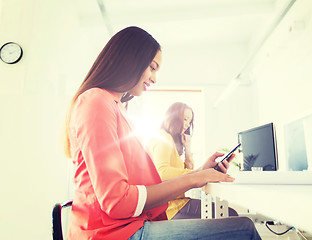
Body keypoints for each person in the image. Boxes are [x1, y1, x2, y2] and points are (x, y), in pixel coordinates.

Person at [64, 26, 262, 240]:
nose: (155, 78)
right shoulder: (96, 102)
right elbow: (117, 201)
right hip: (110, 233)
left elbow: (144, 187)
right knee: (244, 228)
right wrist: (194, 179)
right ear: (130, 61)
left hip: (127, 225)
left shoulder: (116, 107)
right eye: (152, 67)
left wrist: (198, 173)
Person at [148, 102, 239, 219]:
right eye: (185, 119)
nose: (187, 125)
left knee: (228, 214)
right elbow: (162, 173)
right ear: (173, 118)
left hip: (175, 204)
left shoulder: (168, 140)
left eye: (189, 121)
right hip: (170, 208)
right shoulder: (164, 138)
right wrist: (200, 173)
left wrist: (188, 148)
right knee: (231, 215)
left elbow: (187, 172)